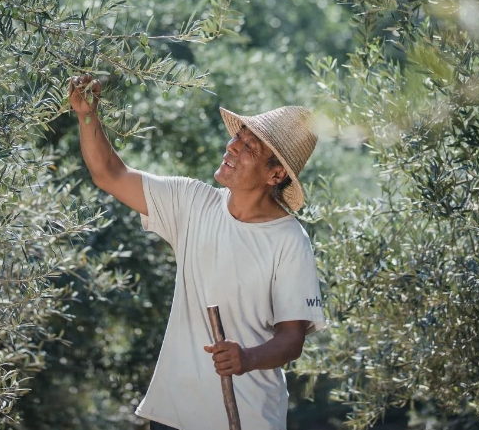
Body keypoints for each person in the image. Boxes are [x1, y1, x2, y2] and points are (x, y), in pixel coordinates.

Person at [69, 75, 325, 430]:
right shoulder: (192, 202)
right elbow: (109, 174)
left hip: (247, 419)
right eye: (238, 136)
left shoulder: (290, 240)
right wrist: (87, 115)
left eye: (250, 147)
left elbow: (292, 339)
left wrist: (247, 358)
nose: (232, 146)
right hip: (172, 414)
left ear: (276, 174)